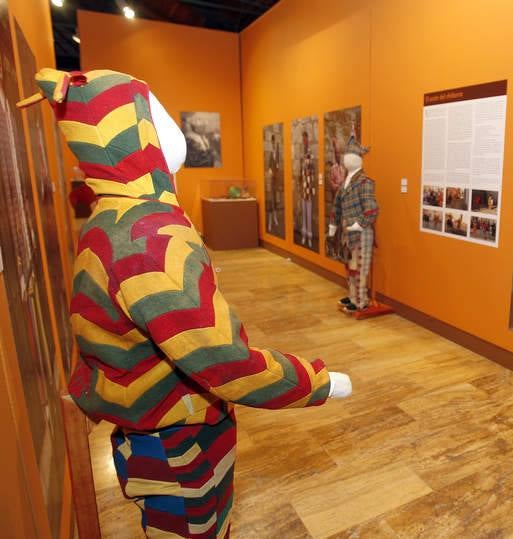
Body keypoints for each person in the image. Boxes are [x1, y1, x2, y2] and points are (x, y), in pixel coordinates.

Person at [19, 68, 352, 538]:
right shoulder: (148, 239)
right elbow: (222, 362)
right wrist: (317, 382)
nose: (172, 126)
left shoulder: (114, 218)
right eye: (154, 112)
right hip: (177, 441)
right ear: (133, 134)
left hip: (164, 427)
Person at [327, 129, 378, 312]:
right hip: (348, 232)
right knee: (349, 266)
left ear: (358, 158)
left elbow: (372, 209)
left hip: (361, 233)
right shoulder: (346, 183)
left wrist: (360, 224)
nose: (347, 159)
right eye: (346, 155)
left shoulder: (364, 182)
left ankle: (361, 300)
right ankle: (352, 296)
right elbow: (337, 206)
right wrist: (333, 225)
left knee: (360, 268)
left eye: (351, 155)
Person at [299, 130, 316, 247]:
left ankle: (309, 236)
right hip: (303, 188)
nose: (304, 140)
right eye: (303, 138)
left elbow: (313, 170)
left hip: (309, 188)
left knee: (309, 213)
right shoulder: (302, 154)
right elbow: (301, 172)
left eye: (305, 138)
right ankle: (304, 234)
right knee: (304, 212)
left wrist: (312, 188)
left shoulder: (310, 153)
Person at [266, 132, 281, 232]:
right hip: (270, 180)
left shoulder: (277, 153)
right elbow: (268, 166)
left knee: (275, 200)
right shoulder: (270, 153)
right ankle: (270, 221)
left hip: (276, 180)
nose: (273, 144)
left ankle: (275, 218)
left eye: (274, 142)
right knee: (270, 200)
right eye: (272, 142)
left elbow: (278, 166)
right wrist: (270, 171)